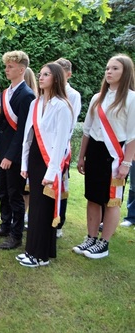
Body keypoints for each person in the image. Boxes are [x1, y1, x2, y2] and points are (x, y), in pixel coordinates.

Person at [74, 54, 135, 259]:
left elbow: (133, 136)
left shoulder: (131, 98)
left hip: (115, 155)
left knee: (111, 201)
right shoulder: (97, 98)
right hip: (95, 152)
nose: (109, 71)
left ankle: (104, 243)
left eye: (115, 68)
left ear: (125, 72)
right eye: (108, 68)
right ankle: (90, 238)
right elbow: (87, 131)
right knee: (92, 197)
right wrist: (81, 157)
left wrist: (126, 163)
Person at [17, 63, 74, 267]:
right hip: (34, 158)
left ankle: (40, 255)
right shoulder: (36, 103)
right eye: (40, 74)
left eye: (46, 74)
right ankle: (32, 250)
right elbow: (28, 136)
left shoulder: (62, 106)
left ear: (57, 78)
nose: (41, 78)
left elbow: (60, 142)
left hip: (50, 162)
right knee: (35, 207)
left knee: (43, 207)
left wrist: (52, 171)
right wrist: (24, 163)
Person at [0, 50, 35, 250]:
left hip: (14, 157)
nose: (6, 69)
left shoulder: (27, 96)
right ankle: (5, 225)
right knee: (3, 193)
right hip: (1, 152)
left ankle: (16, 235)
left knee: (15, 195)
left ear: (22, 69)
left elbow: (24, 132)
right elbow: (1, 122)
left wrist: (10, 156)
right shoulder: (5, 93)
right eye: (6, 66)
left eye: (10, 66)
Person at [54, 57, 82, 238]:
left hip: (61, 147)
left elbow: (70, 123)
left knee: (61, 185)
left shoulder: (73, 95)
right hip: (44, 146)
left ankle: (59, 222)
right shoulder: (47, 91)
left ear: (68, 75)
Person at [22, 67, 38, 227]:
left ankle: (26, 212)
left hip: (30, 145)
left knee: (27, 186)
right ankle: (23, 212)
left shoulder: (32, 98)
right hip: (25, 145)